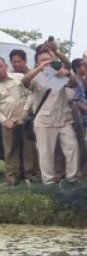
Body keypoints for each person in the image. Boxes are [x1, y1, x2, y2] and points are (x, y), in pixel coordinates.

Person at [21, 50, 80, 185]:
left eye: (49, 59)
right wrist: (39, 69)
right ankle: (48, 181)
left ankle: (72, 178)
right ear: (37, 62)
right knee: (45, 153)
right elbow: (24, 81)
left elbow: (74, 83)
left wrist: (64, 68)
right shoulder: (36, 78)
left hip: (64, 119)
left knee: (72, 147)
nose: (46, 62)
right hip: (44, 121)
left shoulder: (59, 75)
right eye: (43, 60)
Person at [0, 56, 36, 185]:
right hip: (7, 121)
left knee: (29, 147)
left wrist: (25, 112)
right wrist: (4, 120)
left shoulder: (19, 77)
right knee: (10, 150)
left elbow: (30, 94)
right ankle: (12, 178)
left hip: (24, 119)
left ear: (6, 66)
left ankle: (30, 175)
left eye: (1, 66)